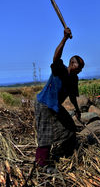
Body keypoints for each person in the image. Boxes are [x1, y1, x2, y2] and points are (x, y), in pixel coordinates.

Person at [34, 27, 84, 170]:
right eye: (78, 67)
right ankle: (41, 164)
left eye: (81, 69)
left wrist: (77, 109)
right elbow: (55, 57)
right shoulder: (60, 69)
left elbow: (73, 95)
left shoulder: (74, 79)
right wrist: (64, 39)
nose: (79, 70)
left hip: (55, 105)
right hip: (44, 103)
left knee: (70, 126)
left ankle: (63, 151)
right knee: (45, 133)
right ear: (71, 64)